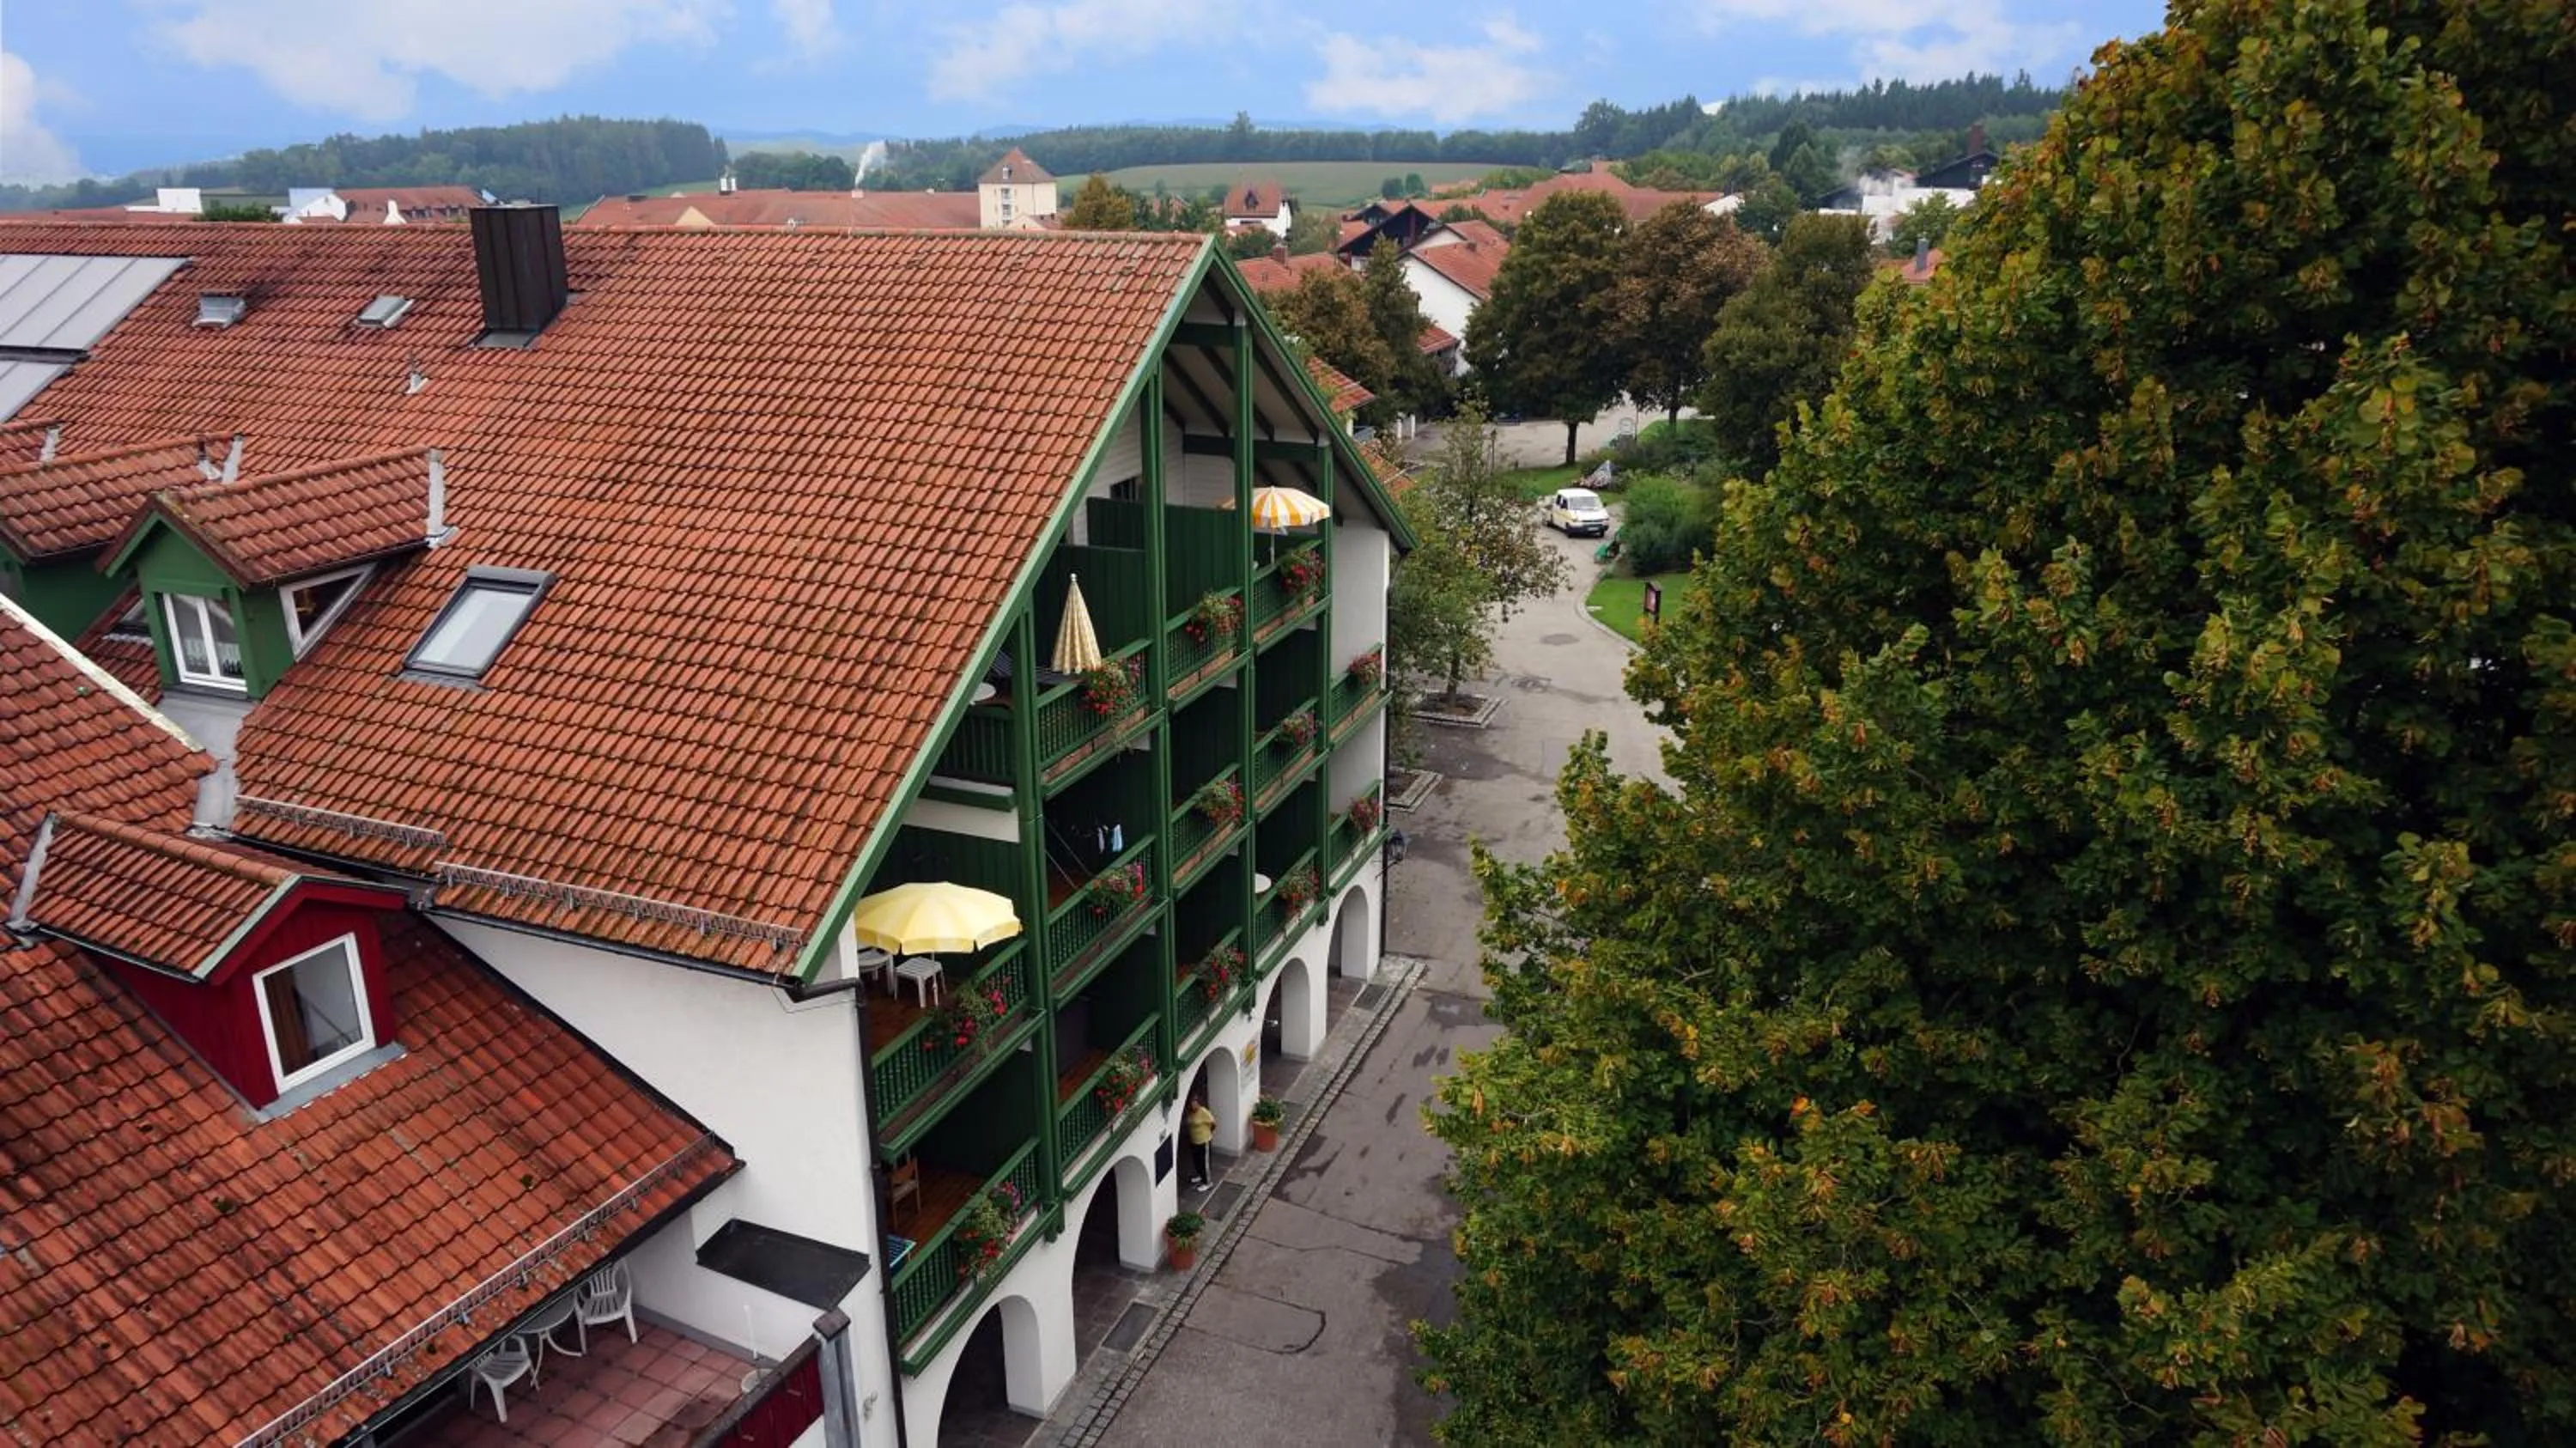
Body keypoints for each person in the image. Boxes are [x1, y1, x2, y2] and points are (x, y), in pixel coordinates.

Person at [1184, 1093, 1216, 1189]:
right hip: (1194, 1141)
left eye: (1195, 1103)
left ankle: (1208, 1183)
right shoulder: (1190, 1112)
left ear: (1198, 1103)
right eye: (1192, 1103)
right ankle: (1200, 1175)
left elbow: (1213, 1123)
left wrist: (1208, 1133)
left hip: (1204, 1141)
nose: (1193, 1105)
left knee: (1204, 1163)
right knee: (1197, 1161)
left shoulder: (1203, 1112)